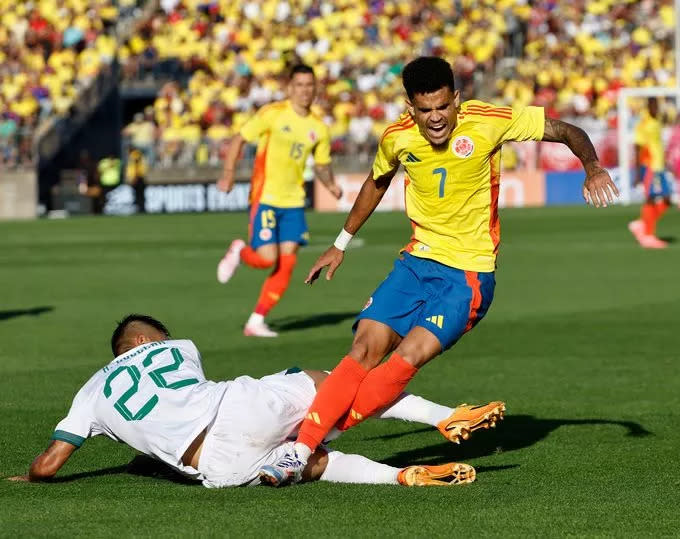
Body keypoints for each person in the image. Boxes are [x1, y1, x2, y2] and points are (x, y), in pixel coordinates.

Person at [261, 56, 618, 484]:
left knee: (404, 360)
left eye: (443, 107)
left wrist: (592, 167)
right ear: (409, 107)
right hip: (415, 263)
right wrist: (340, 244)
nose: (435, 119)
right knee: (362, 350)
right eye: (425, 110)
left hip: (467, 276)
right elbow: (377, 182)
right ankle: (299, 452)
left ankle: (316, 435)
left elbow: (565, 131)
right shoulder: (397, 137)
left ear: (457, 100)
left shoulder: (489, 119)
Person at [8, 314, 496, 488]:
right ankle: (444, 416)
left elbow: (49, 465)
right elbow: (182, 399)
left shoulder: (91, 392)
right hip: (235, 408)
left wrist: (27, 475)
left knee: (315, 463)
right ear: (142, 343)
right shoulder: (178, 348)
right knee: (330, 382)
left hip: (216, 467)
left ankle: (397, 476)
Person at [215, 64, 343, 338]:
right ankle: (239, 251)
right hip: (266, 197)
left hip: (294, 203)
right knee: (265, 259)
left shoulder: (318, 128)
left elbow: (321, 164)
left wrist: (331, 185)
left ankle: (256, 320)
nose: (305, 91)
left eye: (310, 85)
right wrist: (228, 173)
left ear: (315, 88)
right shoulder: (273, 114)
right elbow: (239, 139)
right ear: (289, 87)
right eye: (299, 85)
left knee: (287, 264)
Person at [628, 98, 671, 249]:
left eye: (657, 106)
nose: (656, 109)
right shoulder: (643, 124)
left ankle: (641, 224)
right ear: (648, 107)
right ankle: (648, 236)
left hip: (659, 166)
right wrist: (638, 173)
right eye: (654, 106)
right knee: (651, 199)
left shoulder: (657, 120)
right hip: (650, 167)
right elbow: (638, 148)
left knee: (667, 200)